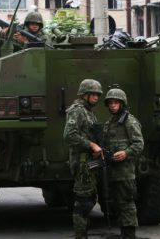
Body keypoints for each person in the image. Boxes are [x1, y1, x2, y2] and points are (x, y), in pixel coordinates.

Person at [63, 79, 103, 239]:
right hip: (82, 163)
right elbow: (69, 135)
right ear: (85, 95)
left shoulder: (89, 111)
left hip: (89, 162)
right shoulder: (77, 110)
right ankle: (80, 235)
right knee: (83, 203)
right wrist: (91, 145)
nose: (96, 97)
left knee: (89, 200)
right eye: (93, 94)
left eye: (97, 94)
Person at [102, 88, 143, 239]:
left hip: (125, 172)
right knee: (118, 206)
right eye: (110, 103)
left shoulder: (129, 121)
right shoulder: (110, 123)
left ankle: (129, 235)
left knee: (127, 205)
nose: (113, 105)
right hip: (113, 172)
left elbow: (139, 144)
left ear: (122, 104)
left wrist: (126, 153)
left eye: (116, 102)